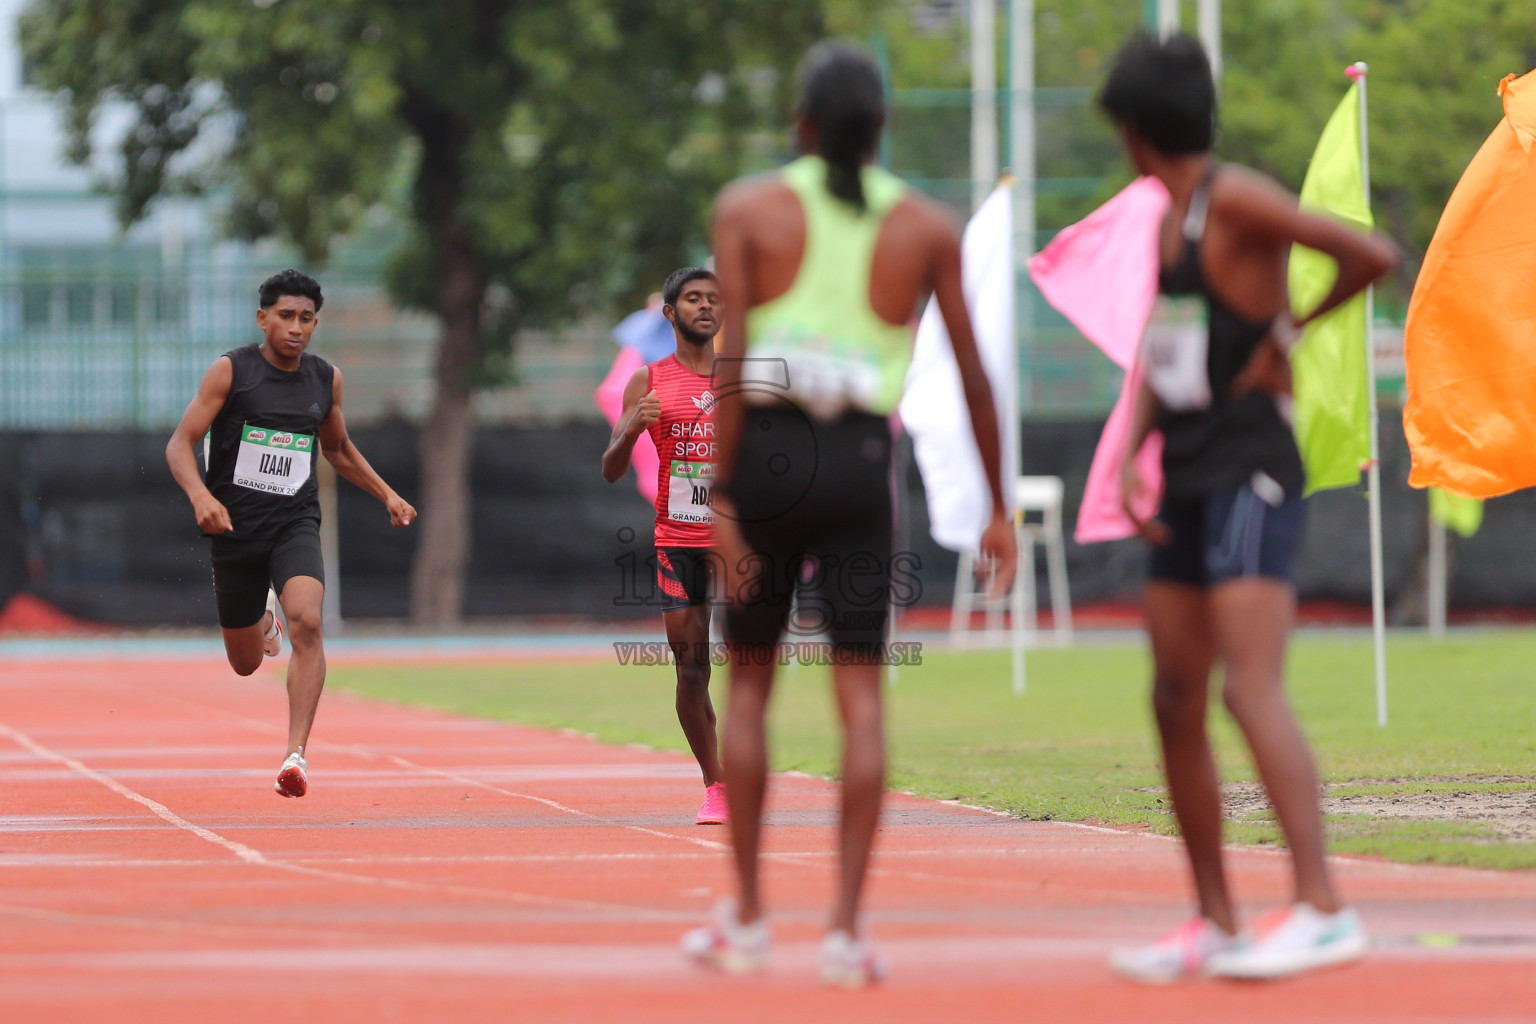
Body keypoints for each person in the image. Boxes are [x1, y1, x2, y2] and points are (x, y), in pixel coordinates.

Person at [683, 40, 1017, 987]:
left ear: (800, 124)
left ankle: (748, 917)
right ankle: (845, 932)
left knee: (748, 687)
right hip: (865, 463)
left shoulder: (748, 208)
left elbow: (736, 355)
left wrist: (727, 505)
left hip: (772, 457)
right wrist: (996, 509)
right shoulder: (925, 225)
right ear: (883, 128)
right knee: (860, 695)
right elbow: (977, 378)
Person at [1100, 33, 1398, 981]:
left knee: (1245, 685)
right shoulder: (1164, 221)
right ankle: (1216, 919)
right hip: (1186, 465)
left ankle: (1322, 907)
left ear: (1135, 130)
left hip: (1248, 466)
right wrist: (1134, 449)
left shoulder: (1236, 197)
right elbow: (1167, 335)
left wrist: (1289, 334)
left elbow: (1369, 252)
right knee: (1172, 695)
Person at [166, 270, 416, 798]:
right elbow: (179, 444)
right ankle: (260, 616)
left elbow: (338, 449)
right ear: (263, 319)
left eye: (306, 319)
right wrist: (202, 497)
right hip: (234, 529)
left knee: (307, 620)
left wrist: (387, 494)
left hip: (293, 522)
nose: (296, 328)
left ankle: (295, 755)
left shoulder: (326, 379)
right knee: (245, 663)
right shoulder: (230, 372)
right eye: (285, 316)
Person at [602, 266, 729, 826]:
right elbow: (610, 469)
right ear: (670, 313)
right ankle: (716, 784)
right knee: (691, 670)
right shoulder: (649, 380)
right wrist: (632, 426)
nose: (705, 307)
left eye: (713, 300)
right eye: (693, 299)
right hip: (680, 541)